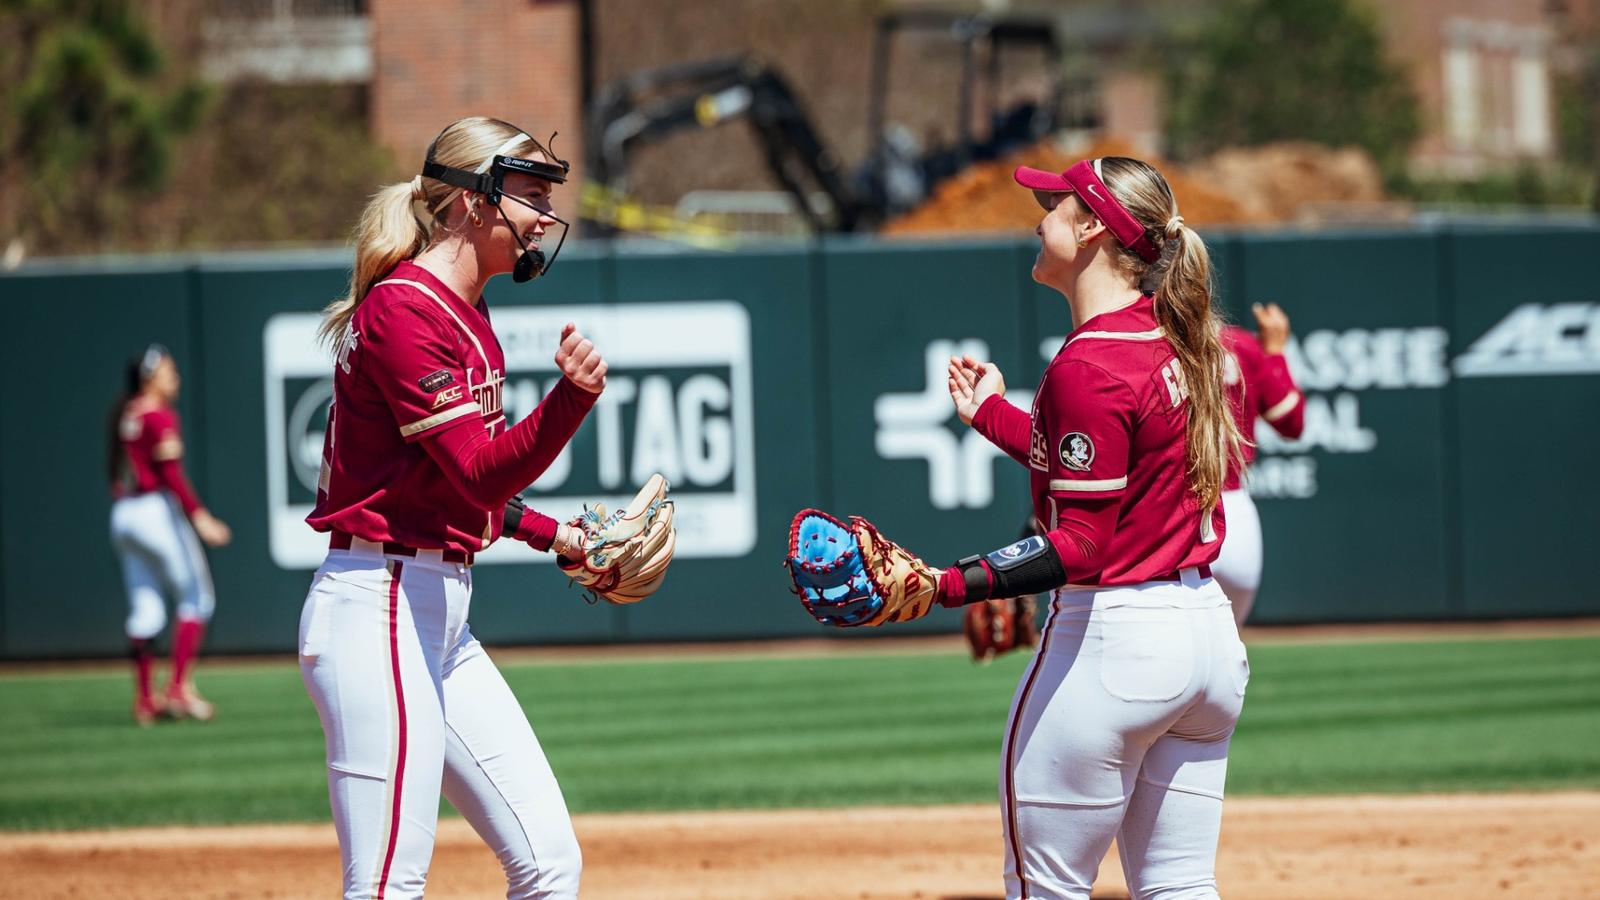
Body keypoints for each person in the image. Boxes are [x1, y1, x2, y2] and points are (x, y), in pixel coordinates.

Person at [300, 116, 602, 900]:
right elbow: (476, 474)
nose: (547, 216)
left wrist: (557, 535)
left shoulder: (467, 311)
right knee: (387, 886)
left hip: (434, 612)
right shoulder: (405, 311)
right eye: (531, 195)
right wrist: (569, 400)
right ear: (473, 200)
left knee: (549, 863)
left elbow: (454, 491)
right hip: (379, 605)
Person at [942, 156, 1249, 898]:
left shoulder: (1088, 363)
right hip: (1205, 640)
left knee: (1044, 888)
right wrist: (992, 415)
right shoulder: (1172, 338)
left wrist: (945, 584)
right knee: (1179, 884)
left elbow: (1082, 546)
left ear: (1090, 230)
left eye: (1054, 205)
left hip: (1114, 642)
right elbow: (1109, 465)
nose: (1038, 218)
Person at [108, 344, 232, 725]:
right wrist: (201, 517)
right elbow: (171, 475)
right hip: (154, 511)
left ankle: (146, 700)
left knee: (146, 608)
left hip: (124, 512)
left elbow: (115, 468)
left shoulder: (127, 412)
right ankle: (179, 688)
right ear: (150, 378)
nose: (175, 379)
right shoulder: (159, 415)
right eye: (168, 372)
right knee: (196, 597)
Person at [1214, 304, 1305, 626]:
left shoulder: (1145, 343)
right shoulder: (1238, 344)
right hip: (1235, 515)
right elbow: (1292, 423)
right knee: (1226, 647)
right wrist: (1275, 352)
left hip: (1170, 515)